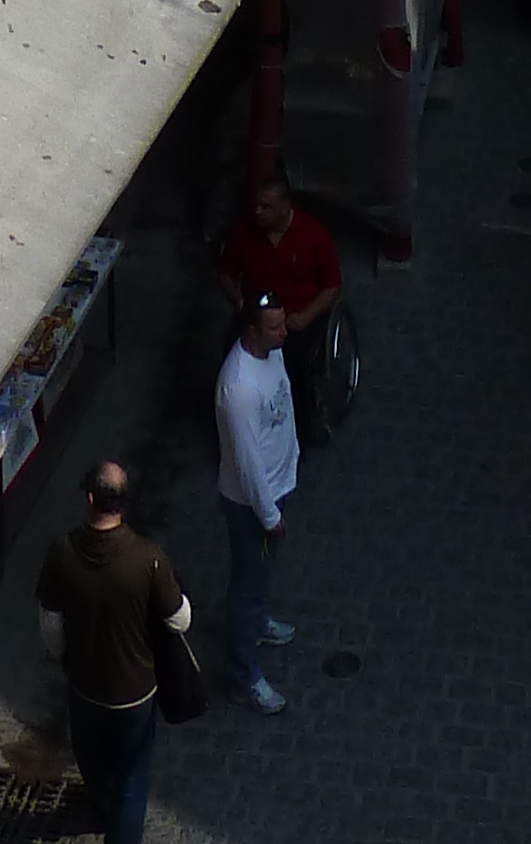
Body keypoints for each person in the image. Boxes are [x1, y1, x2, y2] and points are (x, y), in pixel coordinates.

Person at [36, 457, 190, 844]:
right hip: (135, 694)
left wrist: (65, 658)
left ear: (89, 499)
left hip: (85, 687)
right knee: (132, 778)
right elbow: (179, 620)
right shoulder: (148, 559)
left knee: (92, 760)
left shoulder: (62, 553)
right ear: (123, 503)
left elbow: (50, 623)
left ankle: (104, 806)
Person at [214, 287, 300, 709]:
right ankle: (243, 674)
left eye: (283, 323)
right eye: (274, 327)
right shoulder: (239, 389)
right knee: (246, 585)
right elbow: (247, 463)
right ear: (251, 331)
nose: (284, 332)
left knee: (259, 575)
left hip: (276, 487)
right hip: (252, 504)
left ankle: (258, 624)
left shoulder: (271, 353)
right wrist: (269, 516)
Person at [217, 177, 343, 437]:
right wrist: (238, 300)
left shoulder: (314, 235)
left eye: (266, 207)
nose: (258, 212)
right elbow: (226, 272)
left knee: (296, 363)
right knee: (231, 359)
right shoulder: (243, 233)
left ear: (286, 206)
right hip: (256, 313)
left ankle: (302, 423)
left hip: (296, 315)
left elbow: (332, 286)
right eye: (256, 206)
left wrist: (305, 317)